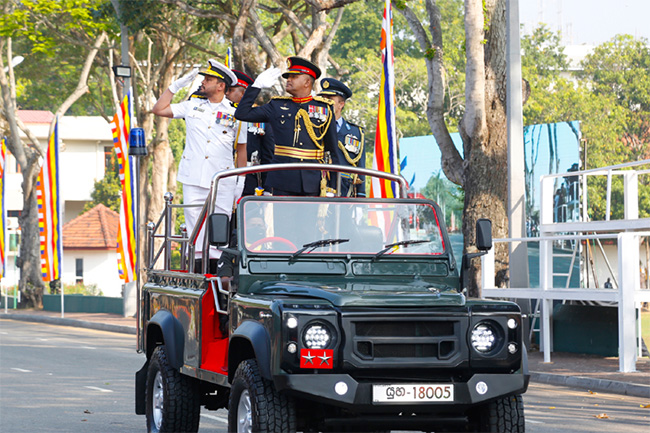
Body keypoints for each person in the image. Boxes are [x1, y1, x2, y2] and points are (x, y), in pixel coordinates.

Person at [152, 59, 247, 269]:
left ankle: (218, 270)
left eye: (209, 79)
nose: (203, 82)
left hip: (223, 178)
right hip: (193, 175)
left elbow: (242, 150)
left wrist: (241, 181)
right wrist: (175, 86)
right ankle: (197, 269)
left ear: (221, 86)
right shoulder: (192, 105)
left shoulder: (237, 113)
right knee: (195, 225)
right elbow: (158, 109)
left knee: (219, 226)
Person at [234, 56, 340, 196]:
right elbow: (242, 113)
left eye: (294, 76)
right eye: (288, 76)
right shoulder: (276, 105)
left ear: (307, 82)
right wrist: (256, 86)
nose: (288, 80)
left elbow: (332, 150)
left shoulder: (324, 108)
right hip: (282, 179)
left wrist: (332, 187)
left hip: (312, 180)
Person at [227, 69, 275, 196]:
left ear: (243, 93)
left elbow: (267, 155)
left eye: (231, 90)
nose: (226, 94)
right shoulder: (221, 114)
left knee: (250, 215)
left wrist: (267, 188)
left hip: (251, 178)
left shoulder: (260, 118)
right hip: (224, 173)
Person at [318, 77, 366, 197]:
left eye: (330, 99)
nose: (326, 102)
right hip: (318, 187)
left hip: (345, 191)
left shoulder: (356, 132)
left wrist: (360, 195)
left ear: (341, 104)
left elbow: (360, 167)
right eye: (323, 98)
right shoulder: (314, 127)